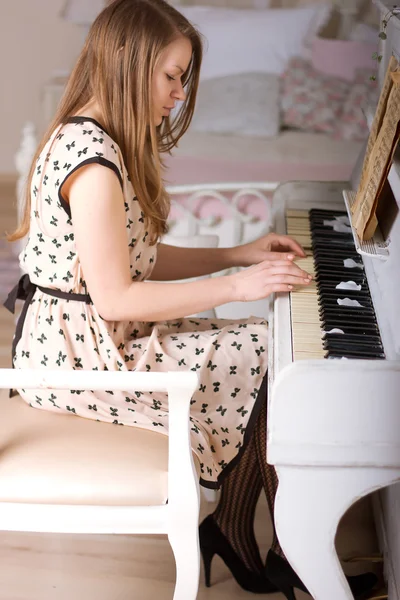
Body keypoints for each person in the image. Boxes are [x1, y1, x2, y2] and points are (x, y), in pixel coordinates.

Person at [4, 0, 377, 597]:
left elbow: (135, 261)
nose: (179, 93)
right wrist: (236, 287)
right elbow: (117, 296)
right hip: (80, 361)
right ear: (130, 64)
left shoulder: (103, 138)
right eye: (171, 76)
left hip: (98, 341)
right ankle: (269, 543)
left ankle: (247, 533)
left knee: (262, 343)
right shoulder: (93, 165)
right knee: (268, 349)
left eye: (184, 77)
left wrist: (237, 254)